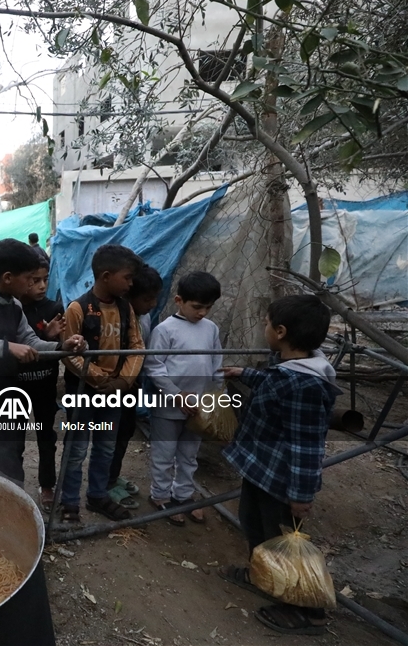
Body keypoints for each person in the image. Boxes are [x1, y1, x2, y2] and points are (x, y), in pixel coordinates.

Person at [219, 294, 339, 636]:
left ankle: (306, 611)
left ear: (281, 331)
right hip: (261, 469)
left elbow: (307, 444)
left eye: (267, 323)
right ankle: (265, 574)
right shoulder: (291, 367)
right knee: (253, 523)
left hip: (282, 481)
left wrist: (301, 495)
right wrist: (246, 374)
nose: (264, 327)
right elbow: (275, 383)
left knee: (282, 539)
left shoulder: (306, 384)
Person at [0, 239, 85, 485]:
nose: (33, 284)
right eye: (30, 278)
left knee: (9, 466)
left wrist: (61, 348)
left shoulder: (14, 305)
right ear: (9, 278)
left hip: (4, 399)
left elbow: (30, 341)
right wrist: (7, 347)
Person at [59, 244, 144, 523]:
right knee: (76, 449)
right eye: (127, 278)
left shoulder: (125, 308)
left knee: (106, 446)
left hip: (114, 395)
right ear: (106, 276)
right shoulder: (78, 309)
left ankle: (97, 495)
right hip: (83, 394)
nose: (131, 284)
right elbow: (69, 355)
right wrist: (100, 378)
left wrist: (123, 381)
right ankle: (69, 501)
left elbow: (136, 346)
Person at [143, 271, 223, 526]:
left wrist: (214, 395)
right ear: (179, 301)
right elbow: (155, 367)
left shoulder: (211, 329)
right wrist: (177, 395)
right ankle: (160, 495)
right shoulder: (164, 330)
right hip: (168, 406)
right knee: (164, 453)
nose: (202, 313)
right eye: (197, 307)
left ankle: (184, 494)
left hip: (199, 406)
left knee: (189, 454)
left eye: (208, 308)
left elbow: (216, 363)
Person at [107, 263, 162, 509]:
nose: (151, 304)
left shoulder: (145, 317)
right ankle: (105, 484)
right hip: (113, 387)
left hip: (132, 385)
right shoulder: (119, 318)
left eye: (154, 299)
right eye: (147, 299)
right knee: (111, 434)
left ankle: (112, 475)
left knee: (125, 432)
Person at [17, 254, 64, 512]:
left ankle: (47, 485)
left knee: (47, 436)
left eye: (45, 279)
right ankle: (14, 486)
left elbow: (61, 346)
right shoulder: (12, 307)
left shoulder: (53, 308)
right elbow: (16, 346)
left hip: (45, 384)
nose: (42, 286)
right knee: (14, 438)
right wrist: (43, 335)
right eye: (35, 280)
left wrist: (58, 339)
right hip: (17, 385)